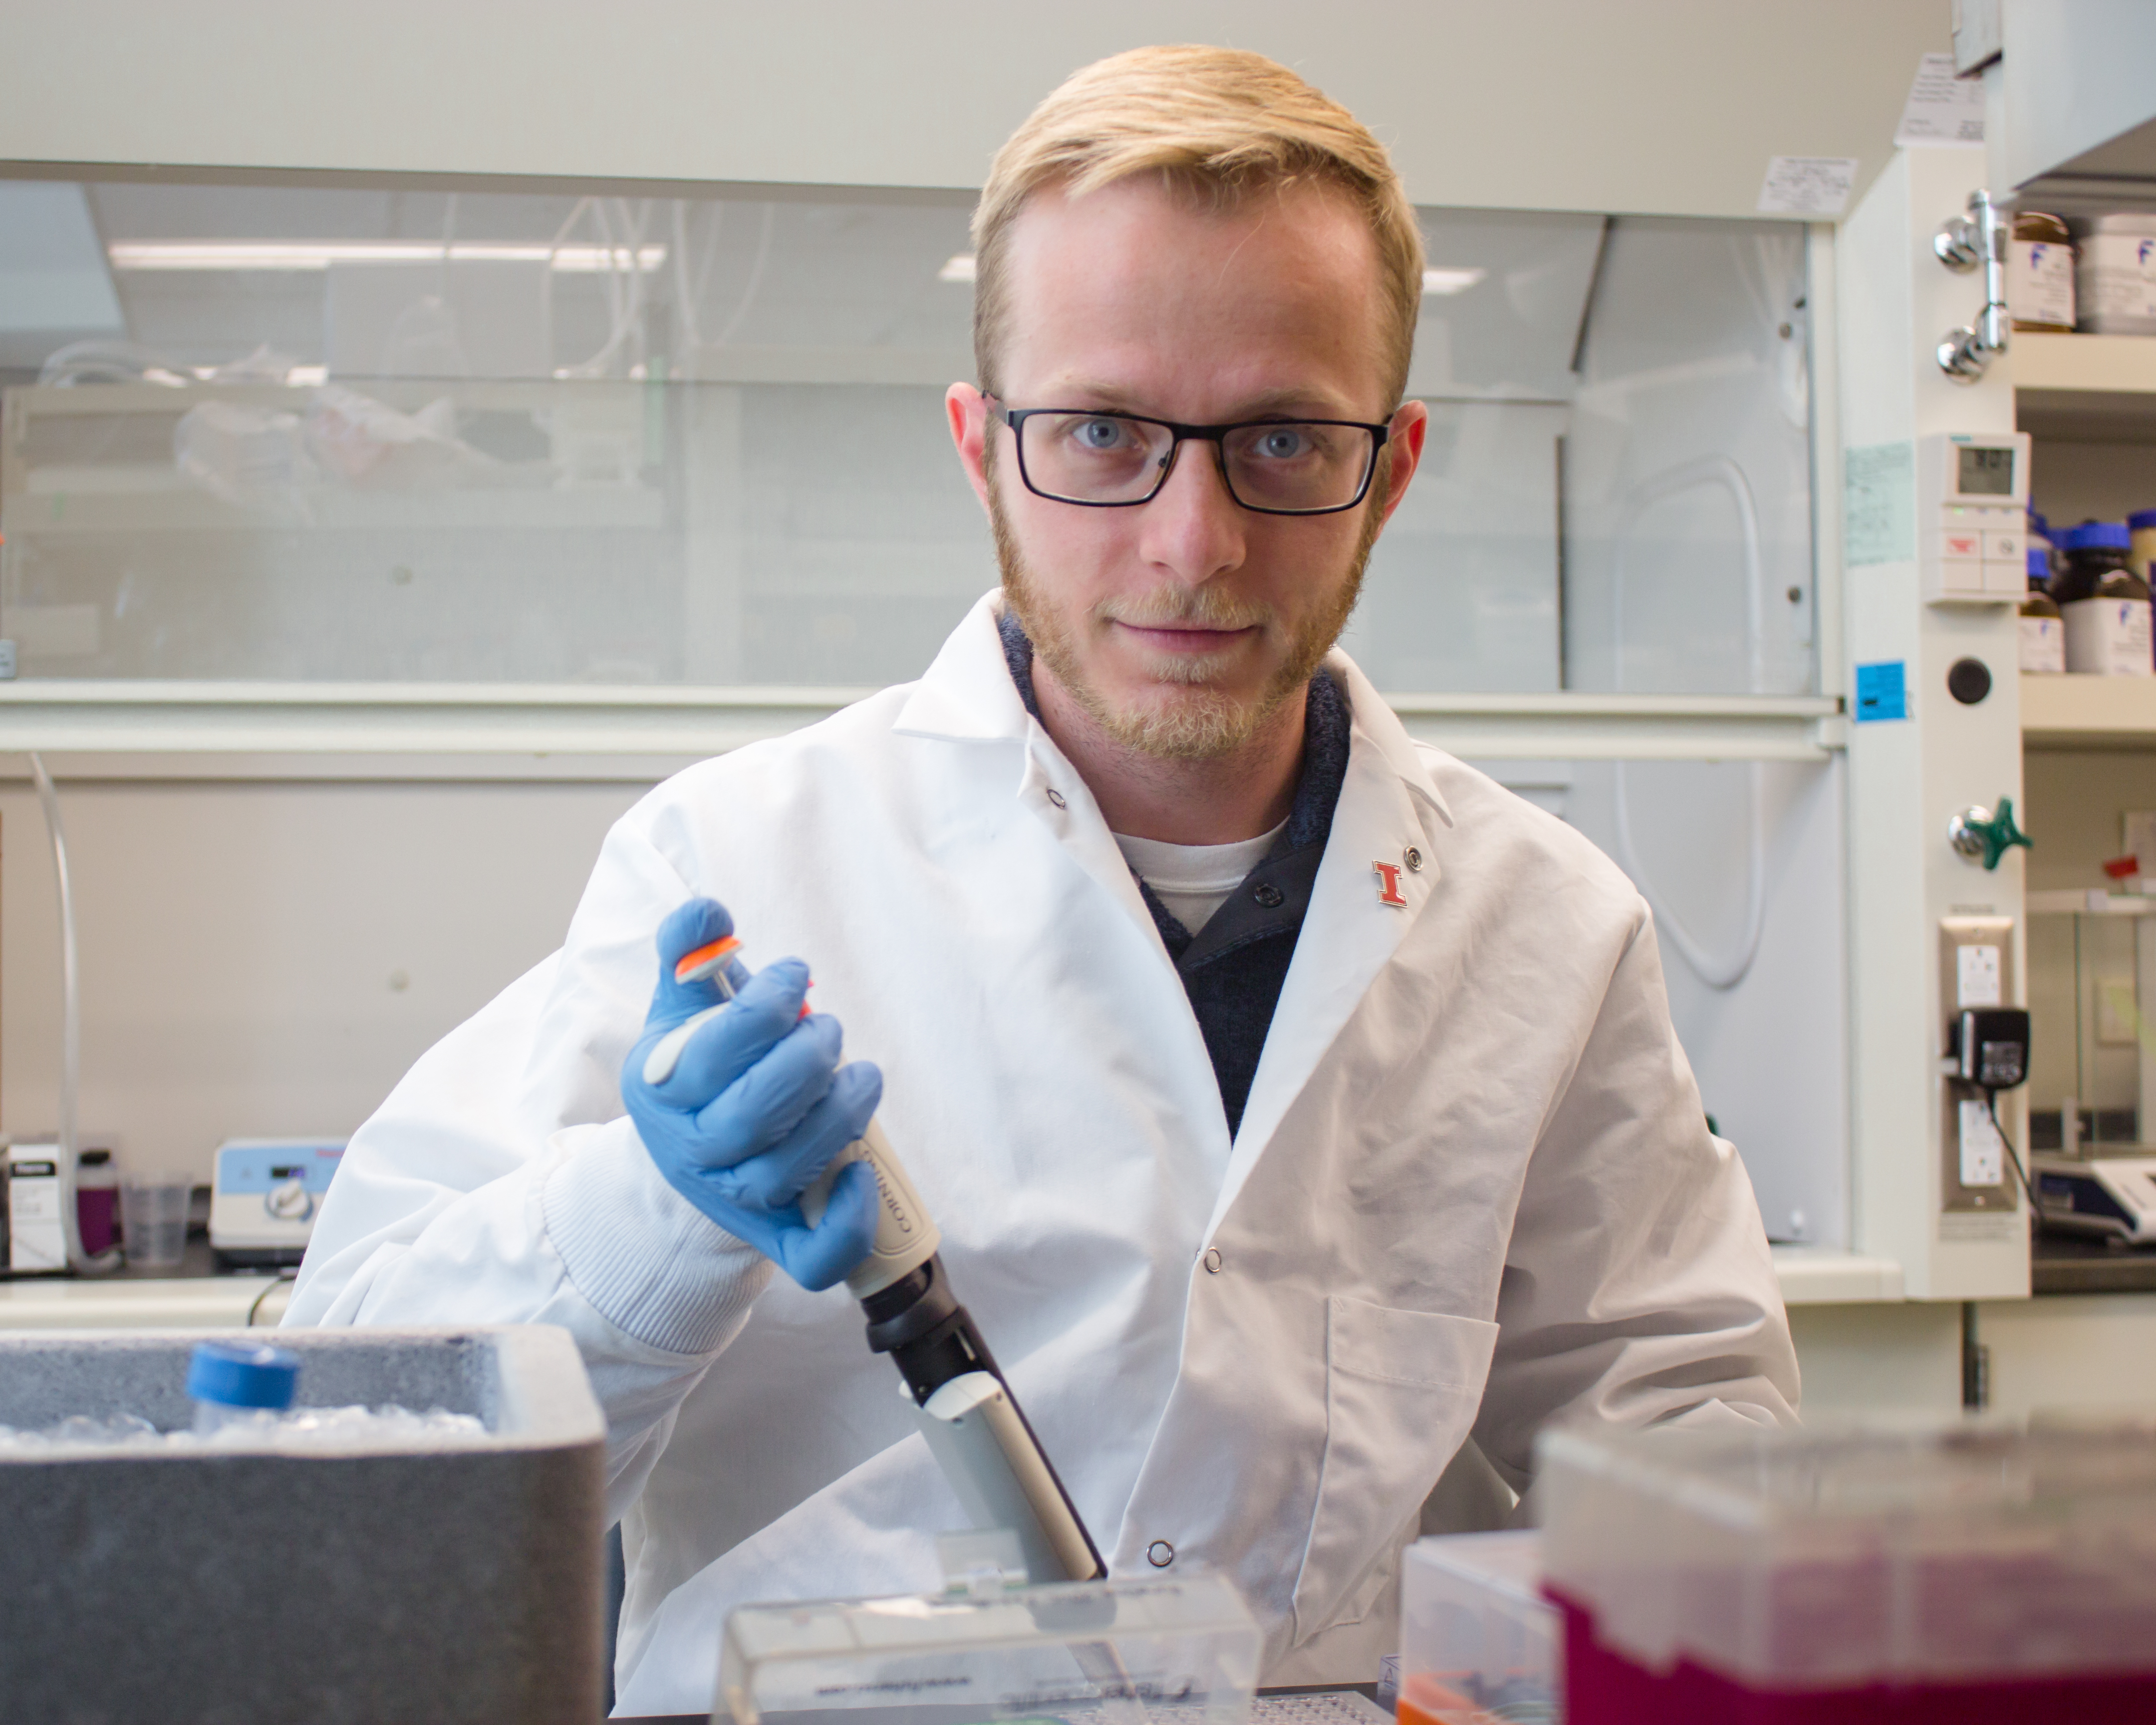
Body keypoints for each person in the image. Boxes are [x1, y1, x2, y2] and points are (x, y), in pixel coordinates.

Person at [287, 44, 1798, 1715]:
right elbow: (363, 1406)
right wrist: (654, 1209)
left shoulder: (1545, 926)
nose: (1193, 541)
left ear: (1399, 460)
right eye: (1099, 432)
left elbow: (1686, 1432)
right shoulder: (732, 867)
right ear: (980, 445)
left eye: (1286, 441)